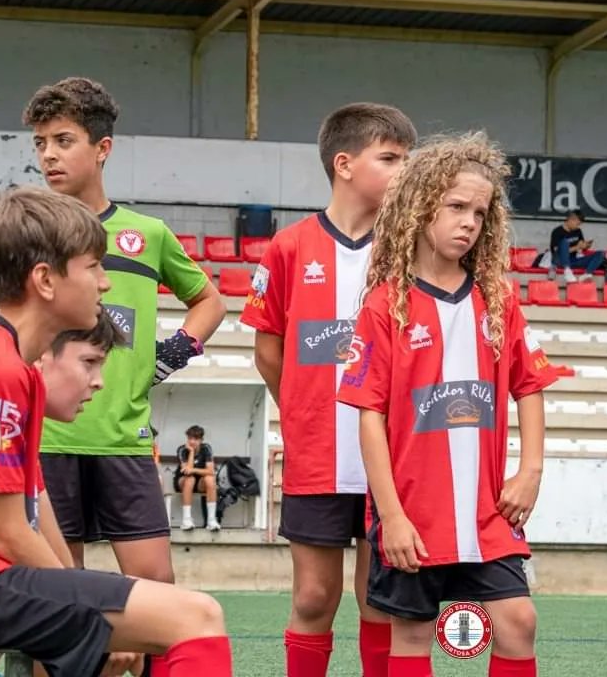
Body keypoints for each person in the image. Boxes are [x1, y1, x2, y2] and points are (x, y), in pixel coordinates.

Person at [0, 77, 226, 677]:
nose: (106, 281)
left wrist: (171, 353)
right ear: (44, 279)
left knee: (144, 594)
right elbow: (12, 535)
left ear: (103, 147)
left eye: (64, 140)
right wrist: (86, 609)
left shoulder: (9, 368)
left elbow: (27, 512)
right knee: (196, 618)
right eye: (94, 268)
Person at [336, 133, 557, 677]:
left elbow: (529, 386)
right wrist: (390, 515)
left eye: (479, 213)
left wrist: (529, 471)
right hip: (413, 510)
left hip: (487, 512)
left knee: (517, 620)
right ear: (418, 207)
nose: (468, 223)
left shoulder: (499, 299)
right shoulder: (386, 305)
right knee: (412, 633)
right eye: (456, 207)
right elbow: (371, 416)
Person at [240, 102, 416, 677]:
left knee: (380, 603)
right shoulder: (289, 247)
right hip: (318, 456)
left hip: (390, 463)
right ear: (344, 163)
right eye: (390, 158)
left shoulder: (409, 253)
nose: (403, 170)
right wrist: (307, 405)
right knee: (315, 598)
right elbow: (269, 353)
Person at [0, 312, 136, 676]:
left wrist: (79, 599)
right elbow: (10, 534)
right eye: (90, 362)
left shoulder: (16, 413)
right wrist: (81, 606)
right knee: (186, 618)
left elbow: (46, 540)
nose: (99, 382)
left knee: (118, 628)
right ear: (42, 353)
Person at [175, 425, 220, 532]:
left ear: (201, 440)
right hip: (183, 481)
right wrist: (191, 452)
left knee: (210, 479)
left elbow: (210, 471)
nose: (192, 441)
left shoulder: (206, 448)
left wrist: (194, 470)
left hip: (200, 482)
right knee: (190, 479)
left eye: (195, 439)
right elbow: (187, 472)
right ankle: (186, 520)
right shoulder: (182, 449)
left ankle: (211, 520)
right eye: (190, 438)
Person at [548, 209, 603, 283]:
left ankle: (587, 274)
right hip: (559, 261)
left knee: (600, 254)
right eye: (577, 224)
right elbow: (557, 251)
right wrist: (577, 247)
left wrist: (585, 246)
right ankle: (567, 271)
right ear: (571, 220)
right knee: (564, 242)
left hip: (573, 260)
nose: (578, 226)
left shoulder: (578, 231)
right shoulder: (557, 231)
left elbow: (581, 246)